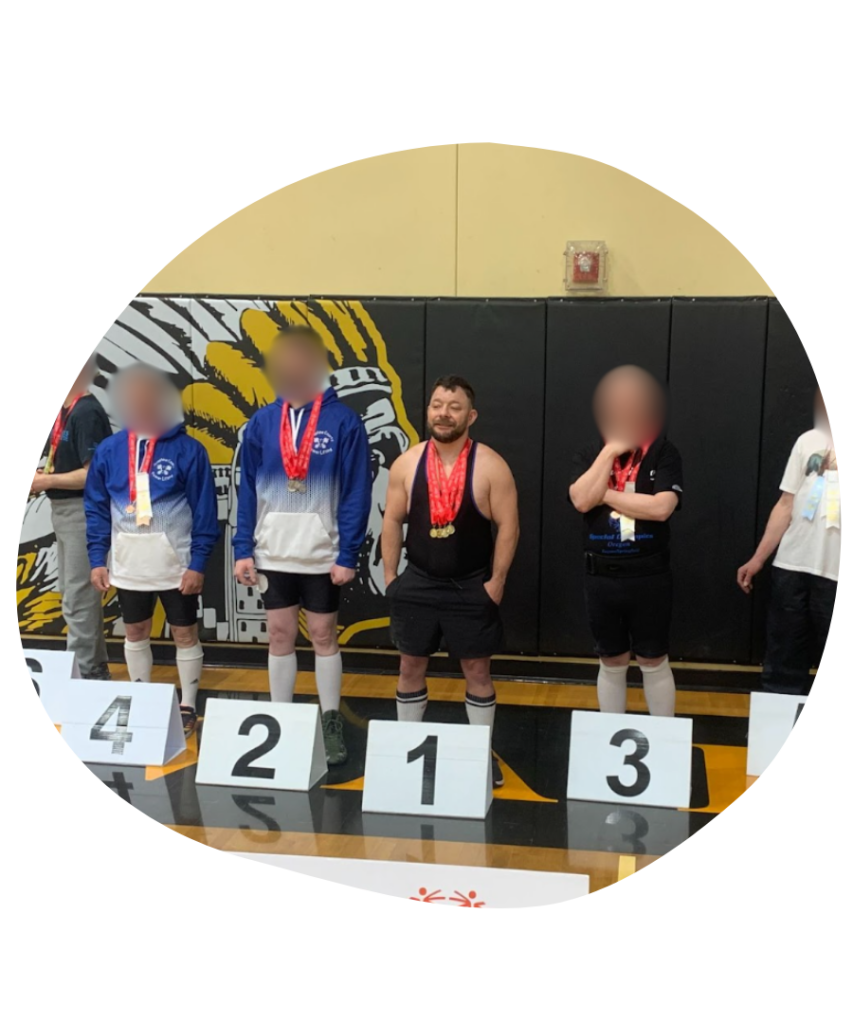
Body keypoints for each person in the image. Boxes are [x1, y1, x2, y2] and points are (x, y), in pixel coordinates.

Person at [233, 326, 372, 766]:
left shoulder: (343, 421)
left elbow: (356, 493)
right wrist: (242, 548)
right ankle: (282, 721)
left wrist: (347, 553)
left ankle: (331, 719)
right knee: (279, 636)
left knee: (322, 636)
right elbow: (247, 490)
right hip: (273, 552)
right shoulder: (262, 422)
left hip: (322, 553)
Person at [381, 375, 520, 788]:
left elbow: (509, 528)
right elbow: (391, 520)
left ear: (470, 415)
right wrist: (391, 578)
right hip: (418, 583)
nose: (443, 413)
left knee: (477, 670)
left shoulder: (491, 465)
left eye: (454, 406)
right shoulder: (407, 462)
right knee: (409, 666)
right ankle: (407, 751)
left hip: (470, 585)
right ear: (428, 411)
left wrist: (495, 583)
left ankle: (481, 753)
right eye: (437, 404)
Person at [84, 365, 218, 735]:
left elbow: (206, 513)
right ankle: (140, 700)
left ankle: (188, 705)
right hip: (128, 565)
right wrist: (98, 559)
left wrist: (198, 563)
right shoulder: (110, 451)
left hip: (176, 565)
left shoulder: (189, 450)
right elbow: (95, 509)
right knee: (135, 630)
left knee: (184, 634)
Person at [569, 365, 683, 717]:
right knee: (611, 658)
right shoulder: (592, 452)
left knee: (653, 657)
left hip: (648, 574)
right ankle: (609, 738)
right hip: (602, 576)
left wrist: (604, 494)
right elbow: (579, 501)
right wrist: (610, 452)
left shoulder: (663, 452)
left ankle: (663, 738)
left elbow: (661, 508)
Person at [737, 389, 838, 695]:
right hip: (791, 567)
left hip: (836, 574)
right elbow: (785, 504)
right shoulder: (808, 440)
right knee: (782, 660)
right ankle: (777, 731)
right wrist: (758, 559)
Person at [30, 357, 113, 679]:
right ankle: (92, 667)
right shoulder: (67, 410)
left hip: (82, 512)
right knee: (72, 593)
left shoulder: (86, 412)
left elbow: (92, 475)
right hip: (64, 511)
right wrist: (46, 475)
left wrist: (46, 481)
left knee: (79, 596)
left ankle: (86, 673)